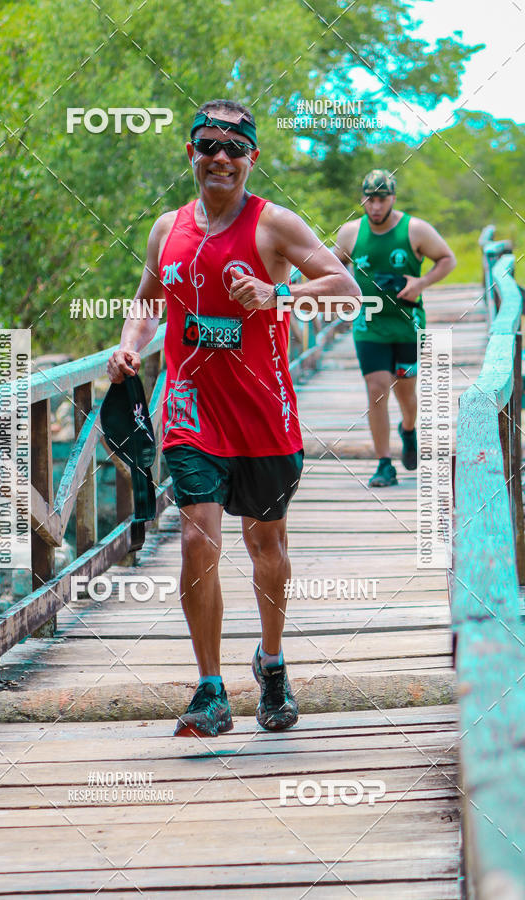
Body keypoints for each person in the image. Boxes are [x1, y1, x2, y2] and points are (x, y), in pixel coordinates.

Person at [107, 99, 359, 737]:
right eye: (208, 146)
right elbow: (146, 301)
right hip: (191, 409)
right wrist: (130, 343)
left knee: (266, 545)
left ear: (252, 158)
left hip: (263, 415)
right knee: (197, 538)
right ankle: (210, 689)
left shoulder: (275, 225)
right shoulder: (166, 228)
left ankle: (271, 663)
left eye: (234, 148)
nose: (220, 157)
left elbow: (346, 289)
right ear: (190, 153)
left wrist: (281, 294)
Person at [334, 169, 456, 487]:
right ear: (362, 198)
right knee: (376, 389)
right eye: (370, 199)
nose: (375, 206)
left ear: (393, 199)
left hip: (407, 323)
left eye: (382, 199)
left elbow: (447, 259)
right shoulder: (349, 233)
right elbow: (330, 268)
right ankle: (383, 463)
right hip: (368, 324)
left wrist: (423, 282)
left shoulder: (414, 229)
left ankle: (409, 429)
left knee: (405, 393)